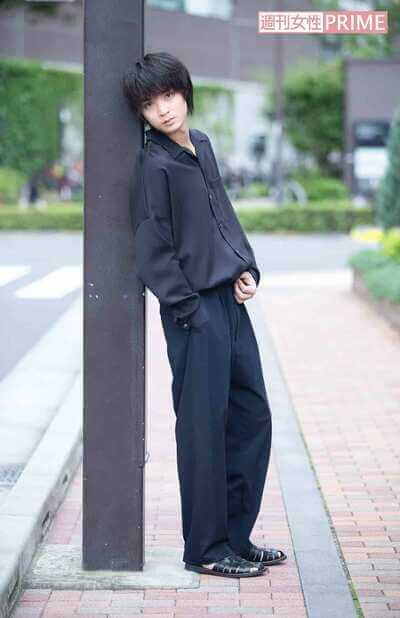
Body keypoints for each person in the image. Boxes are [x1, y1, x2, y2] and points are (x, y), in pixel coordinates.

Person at [122, 52, 287, 579]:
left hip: (230, 304)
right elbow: (151, 246)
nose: (163, 109)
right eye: (150, 104)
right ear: (141, 113)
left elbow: (222, 214)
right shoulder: (154, 165)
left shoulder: (201, 145)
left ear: (185, 91)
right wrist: (190, 308)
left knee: (252, 416)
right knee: (203, 429)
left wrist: (245, 266)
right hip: (193, 312)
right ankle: (206, 548)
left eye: (169, 95)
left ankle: (236, 537)